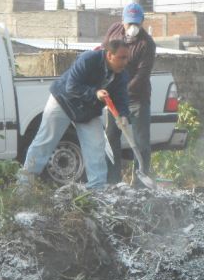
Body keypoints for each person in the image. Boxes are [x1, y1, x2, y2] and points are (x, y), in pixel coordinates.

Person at [19, 39, 131, 189]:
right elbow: (72, 86)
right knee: (45, 141)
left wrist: (123, 115)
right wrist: (95, 93)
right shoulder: (88, 59)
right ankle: (24, 185)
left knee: (96, 145)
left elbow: (122, 98)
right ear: (110, 55)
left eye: (127, 58)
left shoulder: (122, 75)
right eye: (122, 58)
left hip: (88, 109)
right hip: (63, 101)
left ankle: (97, 188)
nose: (125, 62)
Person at [102, 2, 156, 184]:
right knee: (111, 138)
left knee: (141, 143)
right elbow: (105, 55)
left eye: (137, 24)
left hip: (137, 99)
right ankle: (113, 181)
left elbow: (142, 75)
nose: (132, 28)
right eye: (129, 23)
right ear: (122, 21)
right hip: (114, 99)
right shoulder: (114, 31)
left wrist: (123, 93)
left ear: (142, 22)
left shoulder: (146, 44)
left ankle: (140, 183)